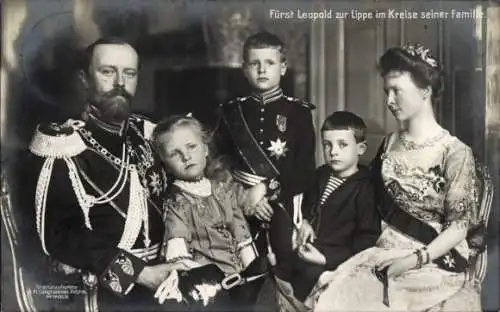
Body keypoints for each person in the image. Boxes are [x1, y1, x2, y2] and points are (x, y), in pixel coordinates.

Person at [305, 43, 482, 311]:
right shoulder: (389, 143)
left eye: (396, 91)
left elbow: (458, 227)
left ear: (425, 90)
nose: (388, 101)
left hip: (432, 260)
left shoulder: (455, 152)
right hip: (379, 253)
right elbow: (363, 193)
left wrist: (414, 259)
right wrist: (310, 220)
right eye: (386, 91)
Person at [28, 38, 181, 311]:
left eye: (129, 73)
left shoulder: (152, 136)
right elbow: (59, 235)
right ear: (84, 79)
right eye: (108, 71)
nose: (120, 82)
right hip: (100, 294)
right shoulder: (64, 146)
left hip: (166, 286)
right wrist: (137, 273)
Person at [215, 31, 316, 284]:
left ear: (283, 68)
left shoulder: (298, 113)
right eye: (254, 63)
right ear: (244, 69)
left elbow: (305, 170)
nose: (262, 70)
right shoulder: (231, 111)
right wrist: (242, 195)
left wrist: (265, 189)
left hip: (281, 207)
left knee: (284, 273)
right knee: (239, 274)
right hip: (238, 206)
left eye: (270, 63)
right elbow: (218, 165)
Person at [151, 114, 272, 311]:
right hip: (208, 286)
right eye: (175, 154)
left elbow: (245, 223)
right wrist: (181, 275)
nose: (186, 157)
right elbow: (178, 247)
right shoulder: (178, 202)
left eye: (192, 147)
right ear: (166, 164)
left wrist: (262, 190)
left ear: (205, 149)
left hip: (242, 276)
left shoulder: (224, 189)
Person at [288, 111, 381, 302]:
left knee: (304, 285)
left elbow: (366, 242)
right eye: (327, 145)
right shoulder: (320, 175)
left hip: (338, 262)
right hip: (307, 252)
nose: (333, 152)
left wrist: (325, 258)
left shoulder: (366, 188)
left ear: (361, 148)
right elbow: (307, 205)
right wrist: (304, 221)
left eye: (342, 145)